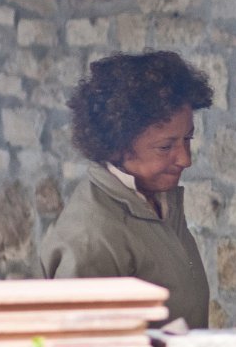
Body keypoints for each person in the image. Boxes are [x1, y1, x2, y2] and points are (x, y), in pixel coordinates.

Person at [40, 51, 213, 329]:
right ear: (117, 146)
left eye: (188, 138)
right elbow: (84, 346)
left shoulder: (157, 199)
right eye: (165, 147)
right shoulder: (92, 239)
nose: (185, 159)